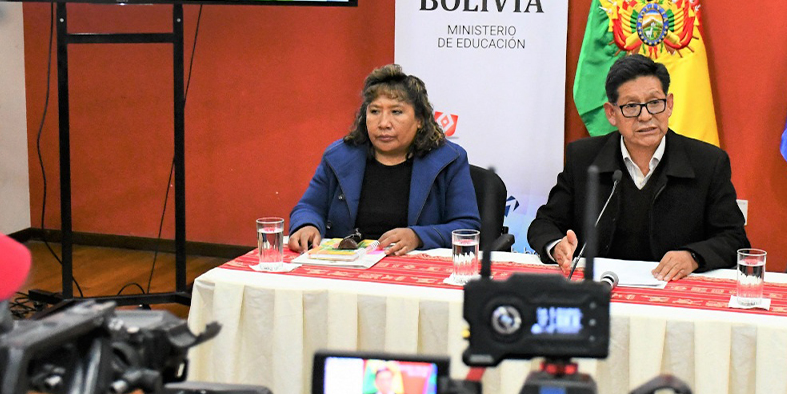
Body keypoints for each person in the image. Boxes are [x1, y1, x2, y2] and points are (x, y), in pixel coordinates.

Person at [526, 55, 749, 282]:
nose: (645, 116)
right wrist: (556, 246)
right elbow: (544, 224)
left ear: (669, 104)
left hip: (673, 295)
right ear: (611, 113)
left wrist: (693, 257)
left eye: (654, 103)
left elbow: (734, 238)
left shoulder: (707, 162)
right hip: (600, 290)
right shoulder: (584, 159)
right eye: (631, 106)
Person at [288, 64, 480, 255]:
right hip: (348, 267)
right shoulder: (339, 156)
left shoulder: (448, 160)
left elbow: (467, 226)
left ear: (420, 119)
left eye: (396, 112)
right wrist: (306, 225)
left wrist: (418, 236)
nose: (383, 123)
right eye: (375, 111)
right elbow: (309, 207)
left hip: (413, 270)